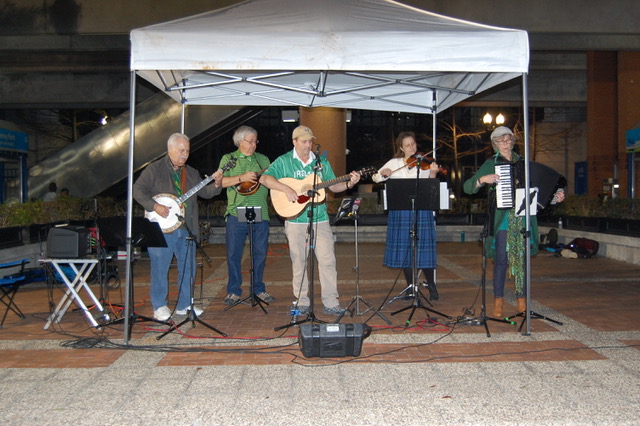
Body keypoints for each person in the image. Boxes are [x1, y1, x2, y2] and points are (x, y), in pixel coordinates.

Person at [463, 126, 565, 317]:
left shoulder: (524, 163)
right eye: (501, 141)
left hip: (524, 218)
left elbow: (539, 193)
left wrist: (554, 197)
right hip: (503, 219)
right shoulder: (491, 163)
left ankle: (522, 300)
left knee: (522, 261)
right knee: (501, 259)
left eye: (508, 140)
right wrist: (482, 180)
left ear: (512, 142)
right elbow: (468, 187)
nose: (505, 144)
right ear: (494, 144)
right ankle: (498, 300)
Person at [261, 125, 360, 316]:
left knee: (327, 260)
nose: (308, 145)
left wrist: (349, 182)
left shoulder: (321, 162)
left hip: (320, 218)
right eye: (304, 141)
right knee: (299, 261)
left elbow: (335, 187)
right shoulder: (284, 161)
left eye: (310, 141)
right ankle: (301, 301)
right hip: (295, 219)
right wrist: (286, 189)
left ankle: (331, 302)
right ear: (294, 142)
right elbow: (265, 179)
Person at [133, 133, 223, 321]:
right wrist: (155, 206)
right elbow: (137, 190)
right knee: (160, 267)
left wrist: (217, 184)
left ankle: (185, 304)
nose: (185, 154)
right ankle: (159, 305)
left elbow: (205, 193)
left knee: (188, 267)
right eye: (181, 150)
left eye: (188, 150)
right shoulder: (154, 169)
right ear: (170, 149)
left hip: (186, 227)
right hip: (161, 229)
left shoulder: (190, 172)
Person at [371, 131, 440, 300]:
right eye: (407, 145)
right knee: (406, 251)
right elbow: (375, 178)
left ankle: (431, 285)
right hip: (401, 211)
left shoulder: (424, 162)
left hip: (421, 210)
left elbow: (431, 186)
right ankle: (411, 287)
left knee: (424, 249)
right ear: (401, 147)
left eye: (413, 144)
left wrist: (433, 173)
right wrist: (384, 173)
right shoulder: (395, 162)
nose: (411, 147)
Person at [218, 125, 275, 306]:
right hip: (236, 213)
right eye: (249, 141)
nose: (253, 145)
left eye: (255, 141)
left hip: (261, 213)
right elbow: (220, 182)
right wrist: (241, 177)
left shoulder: (263, 159)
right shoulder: (229, 159)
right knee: (234, 253)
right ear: (239, 142)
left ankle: (258, 289)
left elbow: (273, 180)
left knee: (260, 253)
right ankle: (234, 291)